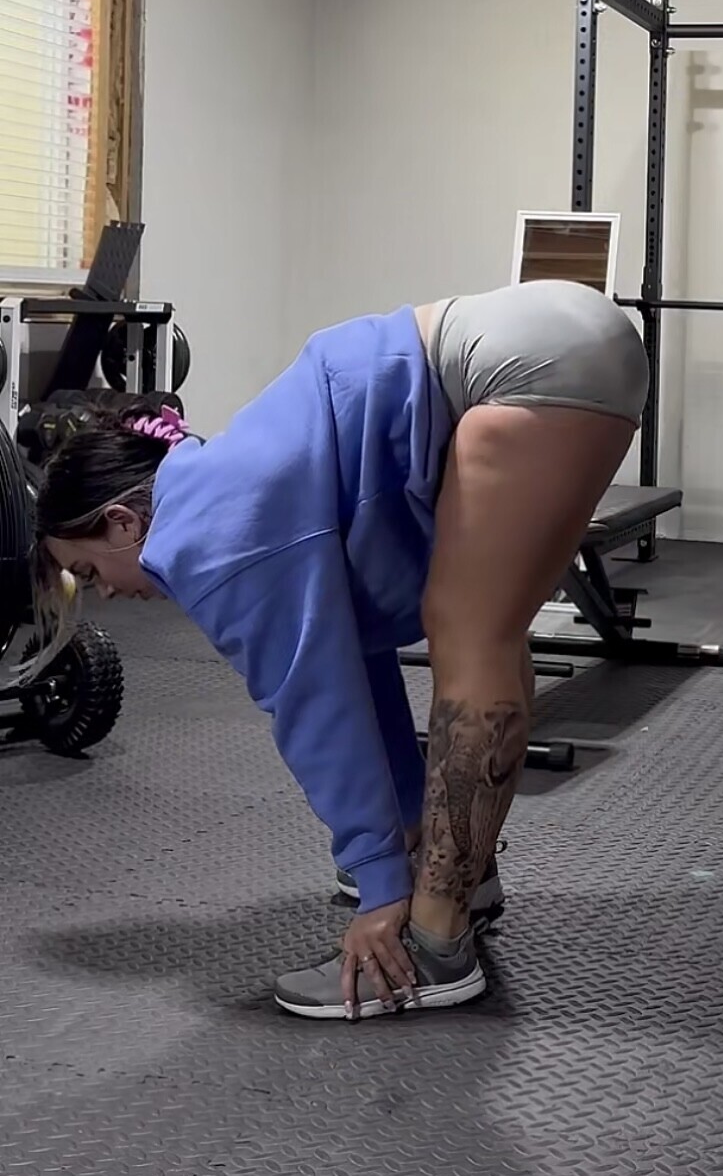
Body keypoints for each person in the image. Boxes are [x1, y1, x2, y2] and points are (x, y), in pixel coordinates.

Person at [28, 278, 649, 1022]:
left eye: (89, 570)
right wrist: (401, 848)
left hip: (521, 364)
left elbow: (316, 709)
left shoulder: (210, 542)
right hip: (548, 340)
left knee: (470, 633)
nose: (104, 592)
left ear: (123, 523)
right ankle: (462, 882)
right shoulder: (220, 489)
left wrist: (381, 890)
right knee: (484, 625)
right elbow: (355, 670)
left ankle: (435, 948)